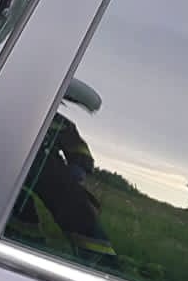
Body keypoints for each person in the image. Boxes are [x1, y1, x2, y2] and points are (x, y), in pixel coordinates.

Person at [9, 80, 117, 268]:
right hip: (13, 173)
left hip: (51, 174)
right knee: (20, 207)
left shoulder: (62, 124)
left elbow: (80, 151)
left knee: (79, 209)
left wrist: (79, 167)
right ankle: (25, 246)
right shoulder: (16, 113)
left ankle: (101, 262)